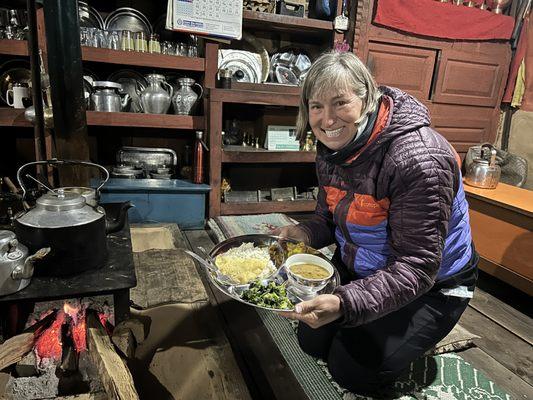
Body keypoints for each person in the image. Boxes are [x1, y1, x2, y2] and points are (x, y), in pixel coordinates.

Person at [275, 51, 478, 395]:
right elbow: (328, 219)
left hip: (433, 284)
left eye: (340, 103)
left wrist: (346, 302)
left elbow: (417, 267)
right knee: (312, 339)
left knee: (351, 370)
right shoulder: (332, 148)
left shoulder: (419, 159)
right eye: (316, 106)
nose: (327, 120)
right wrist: (303, 232)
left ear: (367, 99)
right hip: (367, 265)